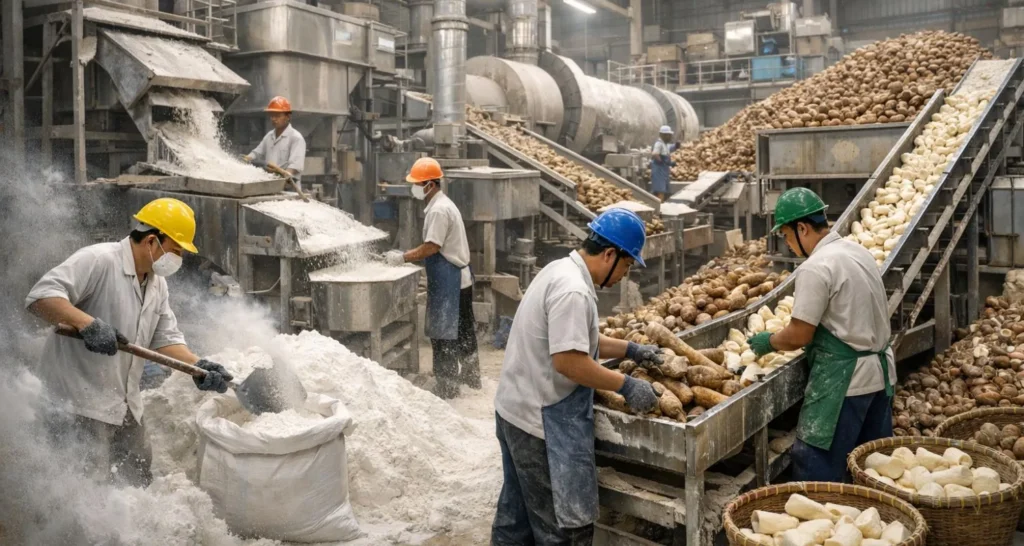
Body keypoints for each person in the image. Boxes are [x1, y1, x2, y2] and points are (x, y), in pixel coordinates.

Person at [26, 197, 234, 487]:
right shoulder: (99, 260)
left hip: (124, 403)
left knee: (136, 480)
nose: (179, 260)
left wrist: (197, 366)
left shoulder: (156, 283)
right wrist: (88, 325)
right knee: (83, 491)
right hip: (77, 404)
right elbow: (41, 297)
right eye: (176, 251)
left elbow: (165, 338)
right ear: (152, 241)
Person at [491, 208, 664, 545]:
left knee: (517, 520)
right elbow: (569, 362)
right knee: (562, 530)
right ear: (610, 254)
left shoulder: (560, 269)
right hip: (538, 423)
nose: (623, 276)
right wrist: (626, 384)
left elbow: (577, 339)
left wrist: (630, 349)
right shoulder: (574, 291)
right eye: (627, 266)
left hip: (513, 409)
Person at [747, 187, 895, 483]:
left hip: (844, 383)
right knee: (873, 469)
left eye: (787, 236)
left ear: (802, 228)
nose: (787, 244)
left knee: (817, 466)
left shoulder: (816, 267)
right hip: (880, 377)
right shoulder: (858, 251)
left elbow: (800, 334)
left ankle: (827, 523)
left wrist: (769, 342)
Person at [385, 157, 480, 399]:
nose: (414, 188)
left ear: (430, 184)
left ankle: (447, 387)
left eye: (416, 184)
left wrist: (402, 257)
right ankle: (471, 380)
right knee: (463, 331)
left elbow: (431, 247)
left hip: (451, 280)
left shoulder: (438, 210)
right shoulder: (442, 205)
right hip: (458, 278)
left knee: (444, 334)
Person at [243, 96, 307, 189]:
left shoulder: (296, 138)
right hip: (271, 185)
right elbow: (257, 152)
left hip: (289, 189)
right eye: (272, 115)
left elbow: (295, 166)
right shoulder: (269, 136)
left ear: (288, 116)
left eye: (277, 115)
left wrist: (285, 176)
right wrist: (247, 159)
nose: (273, 119)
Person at [650, 125, 678, 202]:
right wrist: (662, 161)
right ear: (664, 135)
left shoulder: (664, 144)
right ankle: (659, 208)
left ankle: (662, 205)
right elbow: (655, 154)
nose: (670, 137)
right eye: (669, 135)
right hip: (659, 171)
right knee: (660, 191)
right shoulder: (658, 143)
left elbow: (669, 149)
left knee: (665, 190)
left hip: (664, 171)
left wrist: (676, 146)